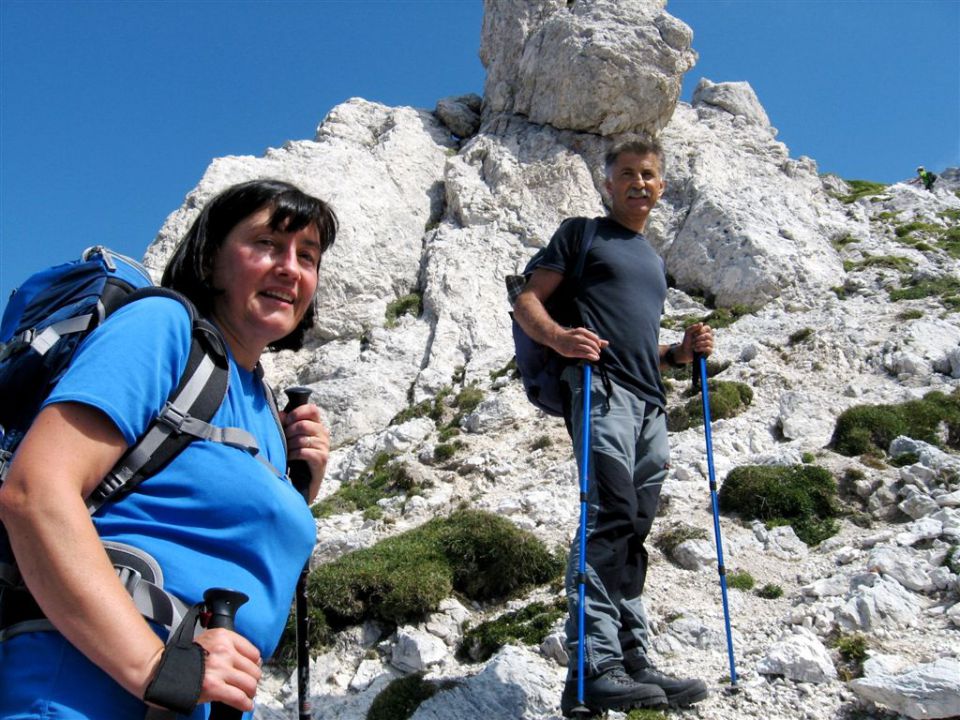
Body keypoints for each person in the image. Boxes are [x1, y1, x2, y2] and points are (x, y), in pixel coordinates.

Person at [0, 179, 337, 719]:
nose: (290, 268)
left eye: (308, 256)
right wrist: (156, 665)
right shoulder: (164, 327)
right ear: (210, 261)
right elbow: (35, 492)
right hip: (78, 693)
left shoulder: (266, 409)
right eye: (267, 245)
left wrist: (298, 491)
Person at [513, 138, 714, 716]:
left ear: (662, 186)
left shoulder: (653, 261)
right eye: (626, 174)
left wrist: (680, 353)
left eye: (648, 175)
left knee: (632, 528)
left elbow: (640, 347)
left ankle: (633, 663)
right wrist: (558, 337)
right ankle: (594, 665)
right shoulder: (582, 233)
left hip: (650, 402)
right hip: (599, 391)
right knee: (608, 516)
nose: (638, 183)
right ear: (607, 184)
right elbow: (527, 300)